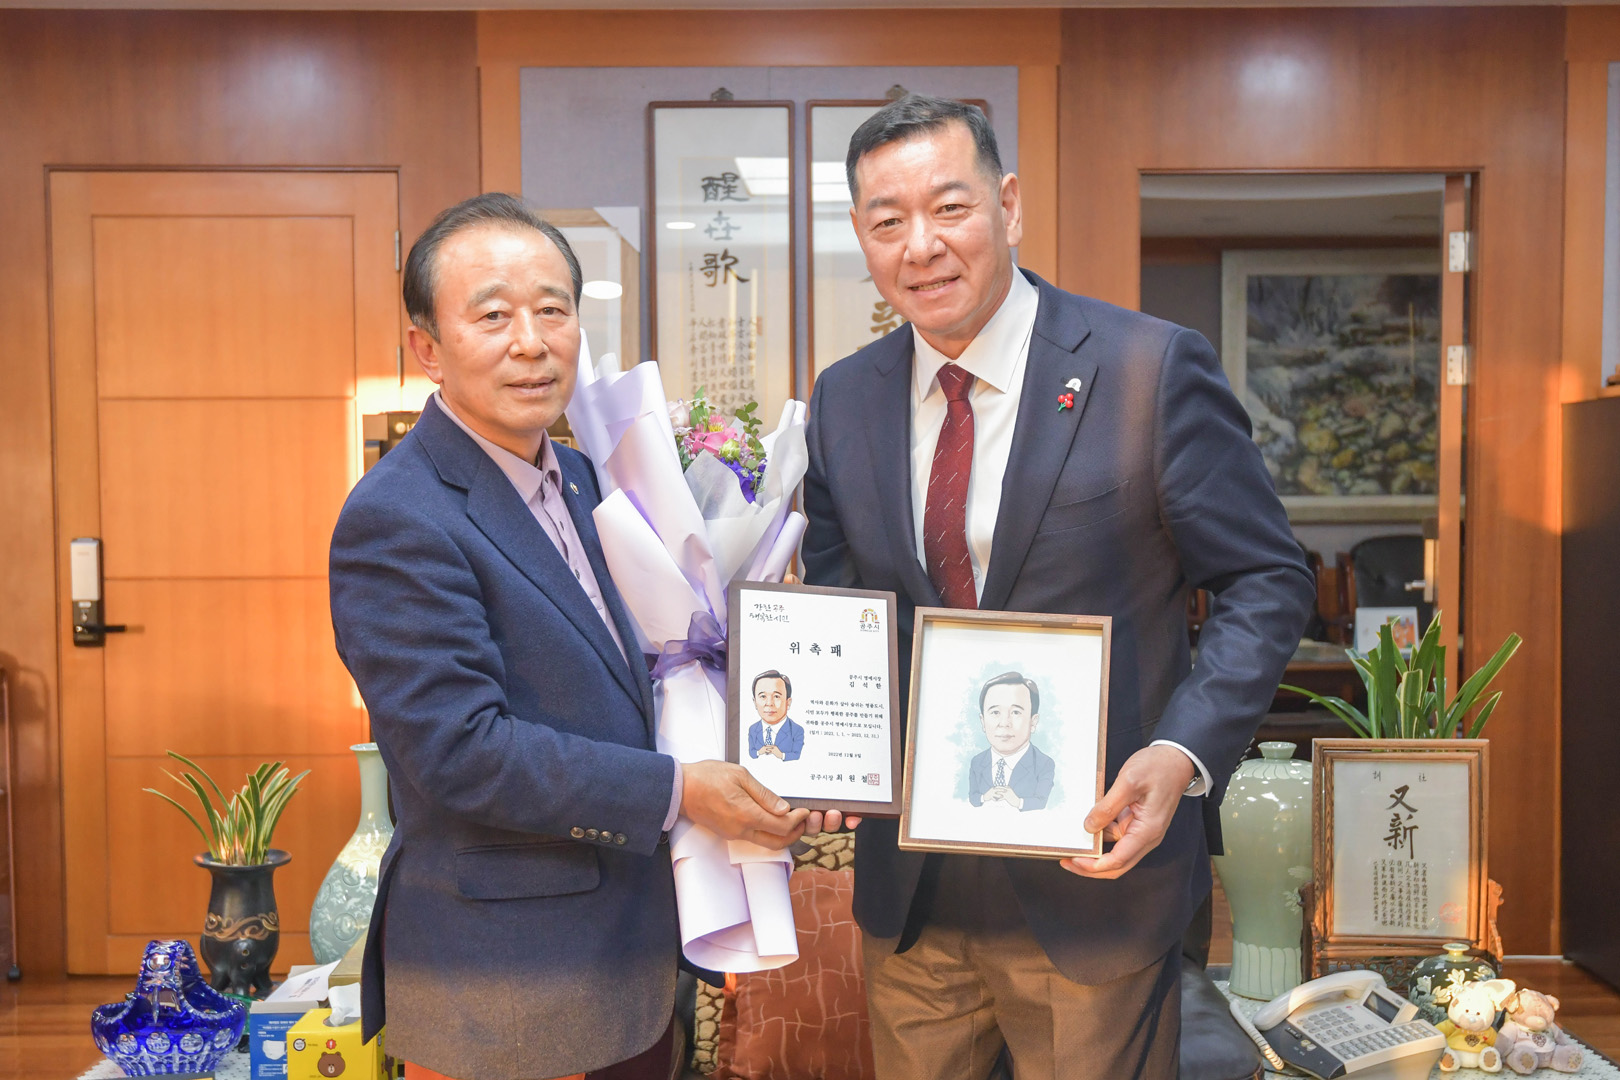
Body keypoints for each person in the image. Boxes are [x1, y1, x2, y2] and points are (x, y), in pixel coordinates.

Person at [801, 96, 1315, 1080]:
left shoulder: (1147, 370)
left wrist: (1181, 753)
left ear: (1008, 206)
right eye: (887, 221)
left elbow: (1266, 577)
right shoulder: (845, 398)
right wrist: (828, 757)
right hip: (914, 900)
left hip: (1098, 881)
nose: (921, 246)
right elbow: (844, 612)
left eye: (949, 208)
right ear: (861, 237)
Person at [329, 193, 809, 1080]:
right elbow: (460, 752)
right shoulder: (398, 516)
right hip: (507, 985)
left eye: (553, 310)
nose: (531, 341)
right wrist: (681, 791)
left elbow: (641, 670)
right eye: (493, 316)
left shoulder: (585, 479)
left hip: (627, 959)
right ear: (427, 348)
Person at [966, 671, 1054, 811]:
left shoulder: (1043, 764)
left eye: (1016, 712)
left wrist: (1018, 802)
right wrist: (984, 797)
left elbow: (1041, 803)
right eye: (995, 712)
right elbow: (973, 799)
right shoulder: (977, 762)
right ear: (983, 721)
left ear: (1033, 722)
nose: (1004, 723)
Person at [746, 670, 805, 761]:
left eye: (776, 696)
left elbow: (796, 756)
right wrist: (759, 752)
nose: (769, 703)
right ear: (755, 702)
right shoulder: (753, 729)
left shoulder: (796, 730)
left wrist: (781, 755)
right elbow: (751, 753)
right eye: (763, 696)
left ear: (788, 702)